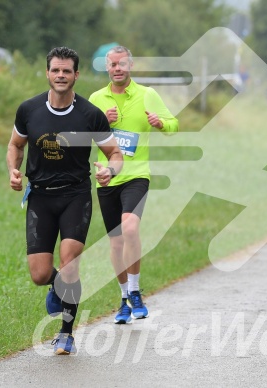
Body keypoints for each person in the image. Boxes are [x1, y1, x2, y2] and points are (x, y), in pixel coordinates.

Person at [6, 47, 123, 355]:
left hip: (75, 194)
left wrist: (110, 170)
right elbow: (16, 145)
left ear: (76, 75)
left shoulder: (89, 114)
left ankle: (66, 333)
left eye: (66, 71)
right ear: (47, 73)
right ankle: (57, 285)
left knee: (70, 260)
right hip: (40, 197)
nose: (60, 75)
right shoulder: (29, 110)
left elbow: (115, 153)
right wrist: (13, 171)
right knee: (40, 275)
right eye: (55, 70)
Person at [89, 46, 179, 324]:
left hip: (137, 174)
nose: (117, 68)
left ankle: (136, 290)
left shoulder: (147, 95)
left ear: (131, 65)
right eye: (112, 64)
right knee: (116, 242)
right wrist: (102, 123)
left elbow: (174, 124)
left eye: (122, 64)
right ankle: (124, 298)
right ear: (107, 67)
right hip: (107, 176)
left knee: (130, 227)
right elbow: (82, 137)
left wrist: (160, 123)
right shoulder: (95, 99)